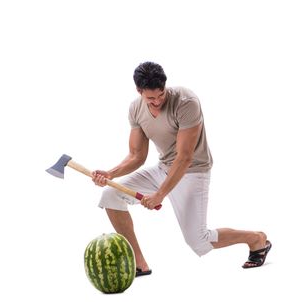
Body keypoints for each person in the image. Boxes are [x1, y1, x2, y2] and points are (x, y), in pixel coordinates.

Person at [91, 62, 271, 275]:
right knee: (111, 194)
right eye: (151, 98)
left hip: (193, 172)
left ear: (165, 86)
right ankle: (140, 263)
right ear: (139, 91)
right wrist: (111, 173)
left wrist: (159, 195)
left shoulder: (186, 102)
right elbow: (137, 155)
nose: (157, 102)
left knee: (198, 241)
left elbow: (185, 157)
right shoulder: (135, 109)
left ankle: (256, 239)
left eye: (161, 95)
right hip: (163, 168)